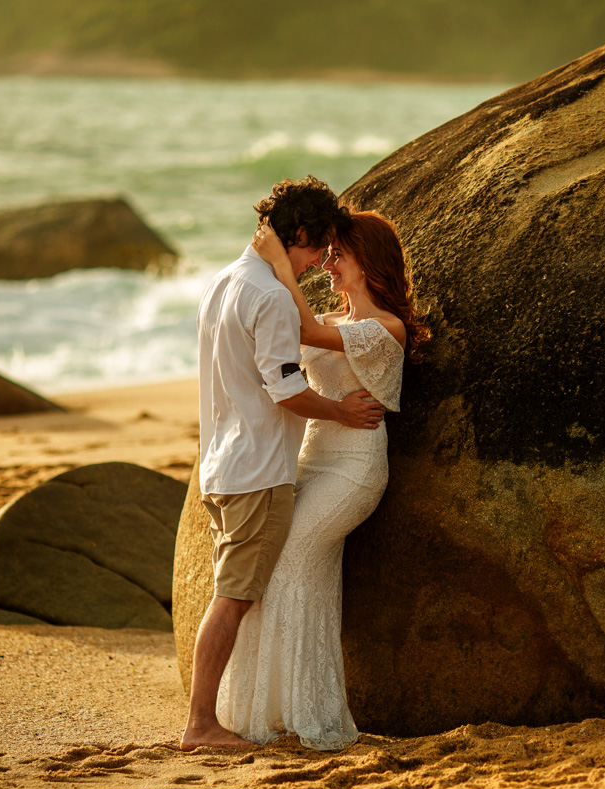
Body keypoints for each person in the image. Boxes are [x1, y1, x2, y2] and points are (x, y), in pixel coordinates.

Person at [181, 178, 386, 752]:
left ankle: (228, 713)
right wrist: (341, 411)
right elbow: (285, 388)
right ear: (299, 235)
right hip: (259, 470)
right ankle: (201, 725)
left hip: (219, 464)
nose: (322, 261)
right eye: (319, 249)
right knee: (235, 597)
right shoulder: (269, 296)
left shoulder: (221, 283)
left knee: (236, 591)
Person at [215, 210, 429, 750]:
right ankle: (281, 712)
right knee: (280, 562)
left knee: (290, 558)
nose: (329, 265)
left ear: (369, 261)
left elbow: (305, 330)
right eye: (326, 254)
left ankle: (308, 714)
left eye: (340, 255)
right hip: (312, 459)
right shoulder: (334, 317)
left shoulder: (387, 329)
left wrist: (281, 265)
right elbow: (293, 347)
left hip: (355, 468)